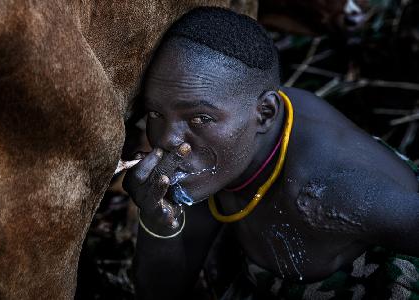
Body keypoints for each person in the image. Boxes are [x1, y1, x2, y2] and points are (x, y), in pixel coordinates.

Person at [123, 7, 419, 300]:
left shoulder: (331, 191)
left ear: (265, 113)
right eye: (155, 113)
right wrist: (158, 221)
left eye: (200, 118)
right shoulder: (219, 152)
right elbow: (160, 292)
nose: (167, 139)